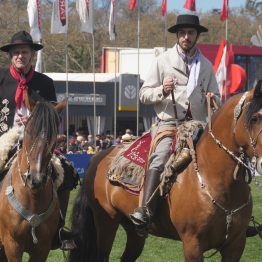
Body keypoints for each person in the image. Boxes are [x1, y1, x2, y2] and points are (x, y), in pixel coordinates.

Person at [129, 14, 221, 237]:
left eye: (190, 33)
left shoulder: (206, 65)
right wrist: (162, 89)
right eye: (182, 33)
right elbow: (143, 94)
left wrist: (212, 99)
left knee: (222, 156)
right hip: (169, 123)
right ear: (177, 36)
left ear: (197, 35)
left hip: (199, 125)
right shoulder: (163, 60)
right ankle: (145, 210)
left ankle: (231, 213)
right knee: (160, 157)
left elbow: (217, 98)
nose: (186, 37)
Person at [0, 30, 78, 250]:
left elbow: (54, 115)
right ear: (11, 56)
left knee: (67, 172)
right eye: (16, 52)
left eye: (24, 52)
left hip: (37, 140)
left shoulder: (45, 82)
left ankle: (60, 228)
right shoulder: (1, 78)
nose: (20, 56)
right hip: (6, 137)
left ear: (32, 55)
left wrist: (37, 124)